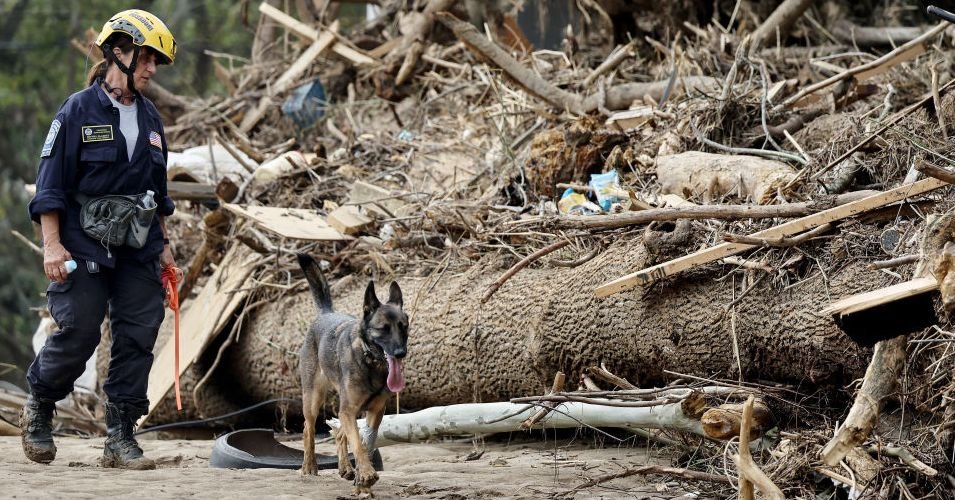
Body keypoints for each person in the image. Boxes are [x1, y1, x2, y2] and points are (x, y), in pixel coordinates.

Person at [21, 9, 178, 470]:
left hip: (138, 248)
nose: (151, 69)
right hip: (83, 245)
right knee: (81, 330)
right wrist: (52, 245)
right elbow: (49, 186)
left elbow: (158, 196)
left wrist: (165, 250)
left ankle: (121, 436)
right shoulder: (76, 111)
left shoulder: (151, 120)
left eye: (155, 62)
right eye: (147, 58)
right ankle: (42, 403)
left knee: (137, 335)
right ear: (118, 52)